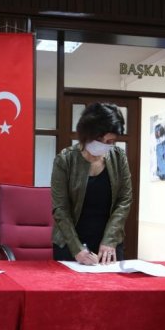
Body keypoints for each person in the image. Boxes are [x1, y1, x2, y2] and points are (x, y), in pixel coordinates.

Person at [51, 102, 132, 265]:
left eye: (112, 141)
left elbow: (124, 200)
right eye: (104, 141)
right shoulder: (65, 160)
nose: (108, 146)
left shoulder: (119, 157)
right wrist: (77, 249)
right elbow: (60, 208)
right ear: (88, 136)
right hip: (70, 244)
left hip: (108, 246)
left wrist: (110, 240)